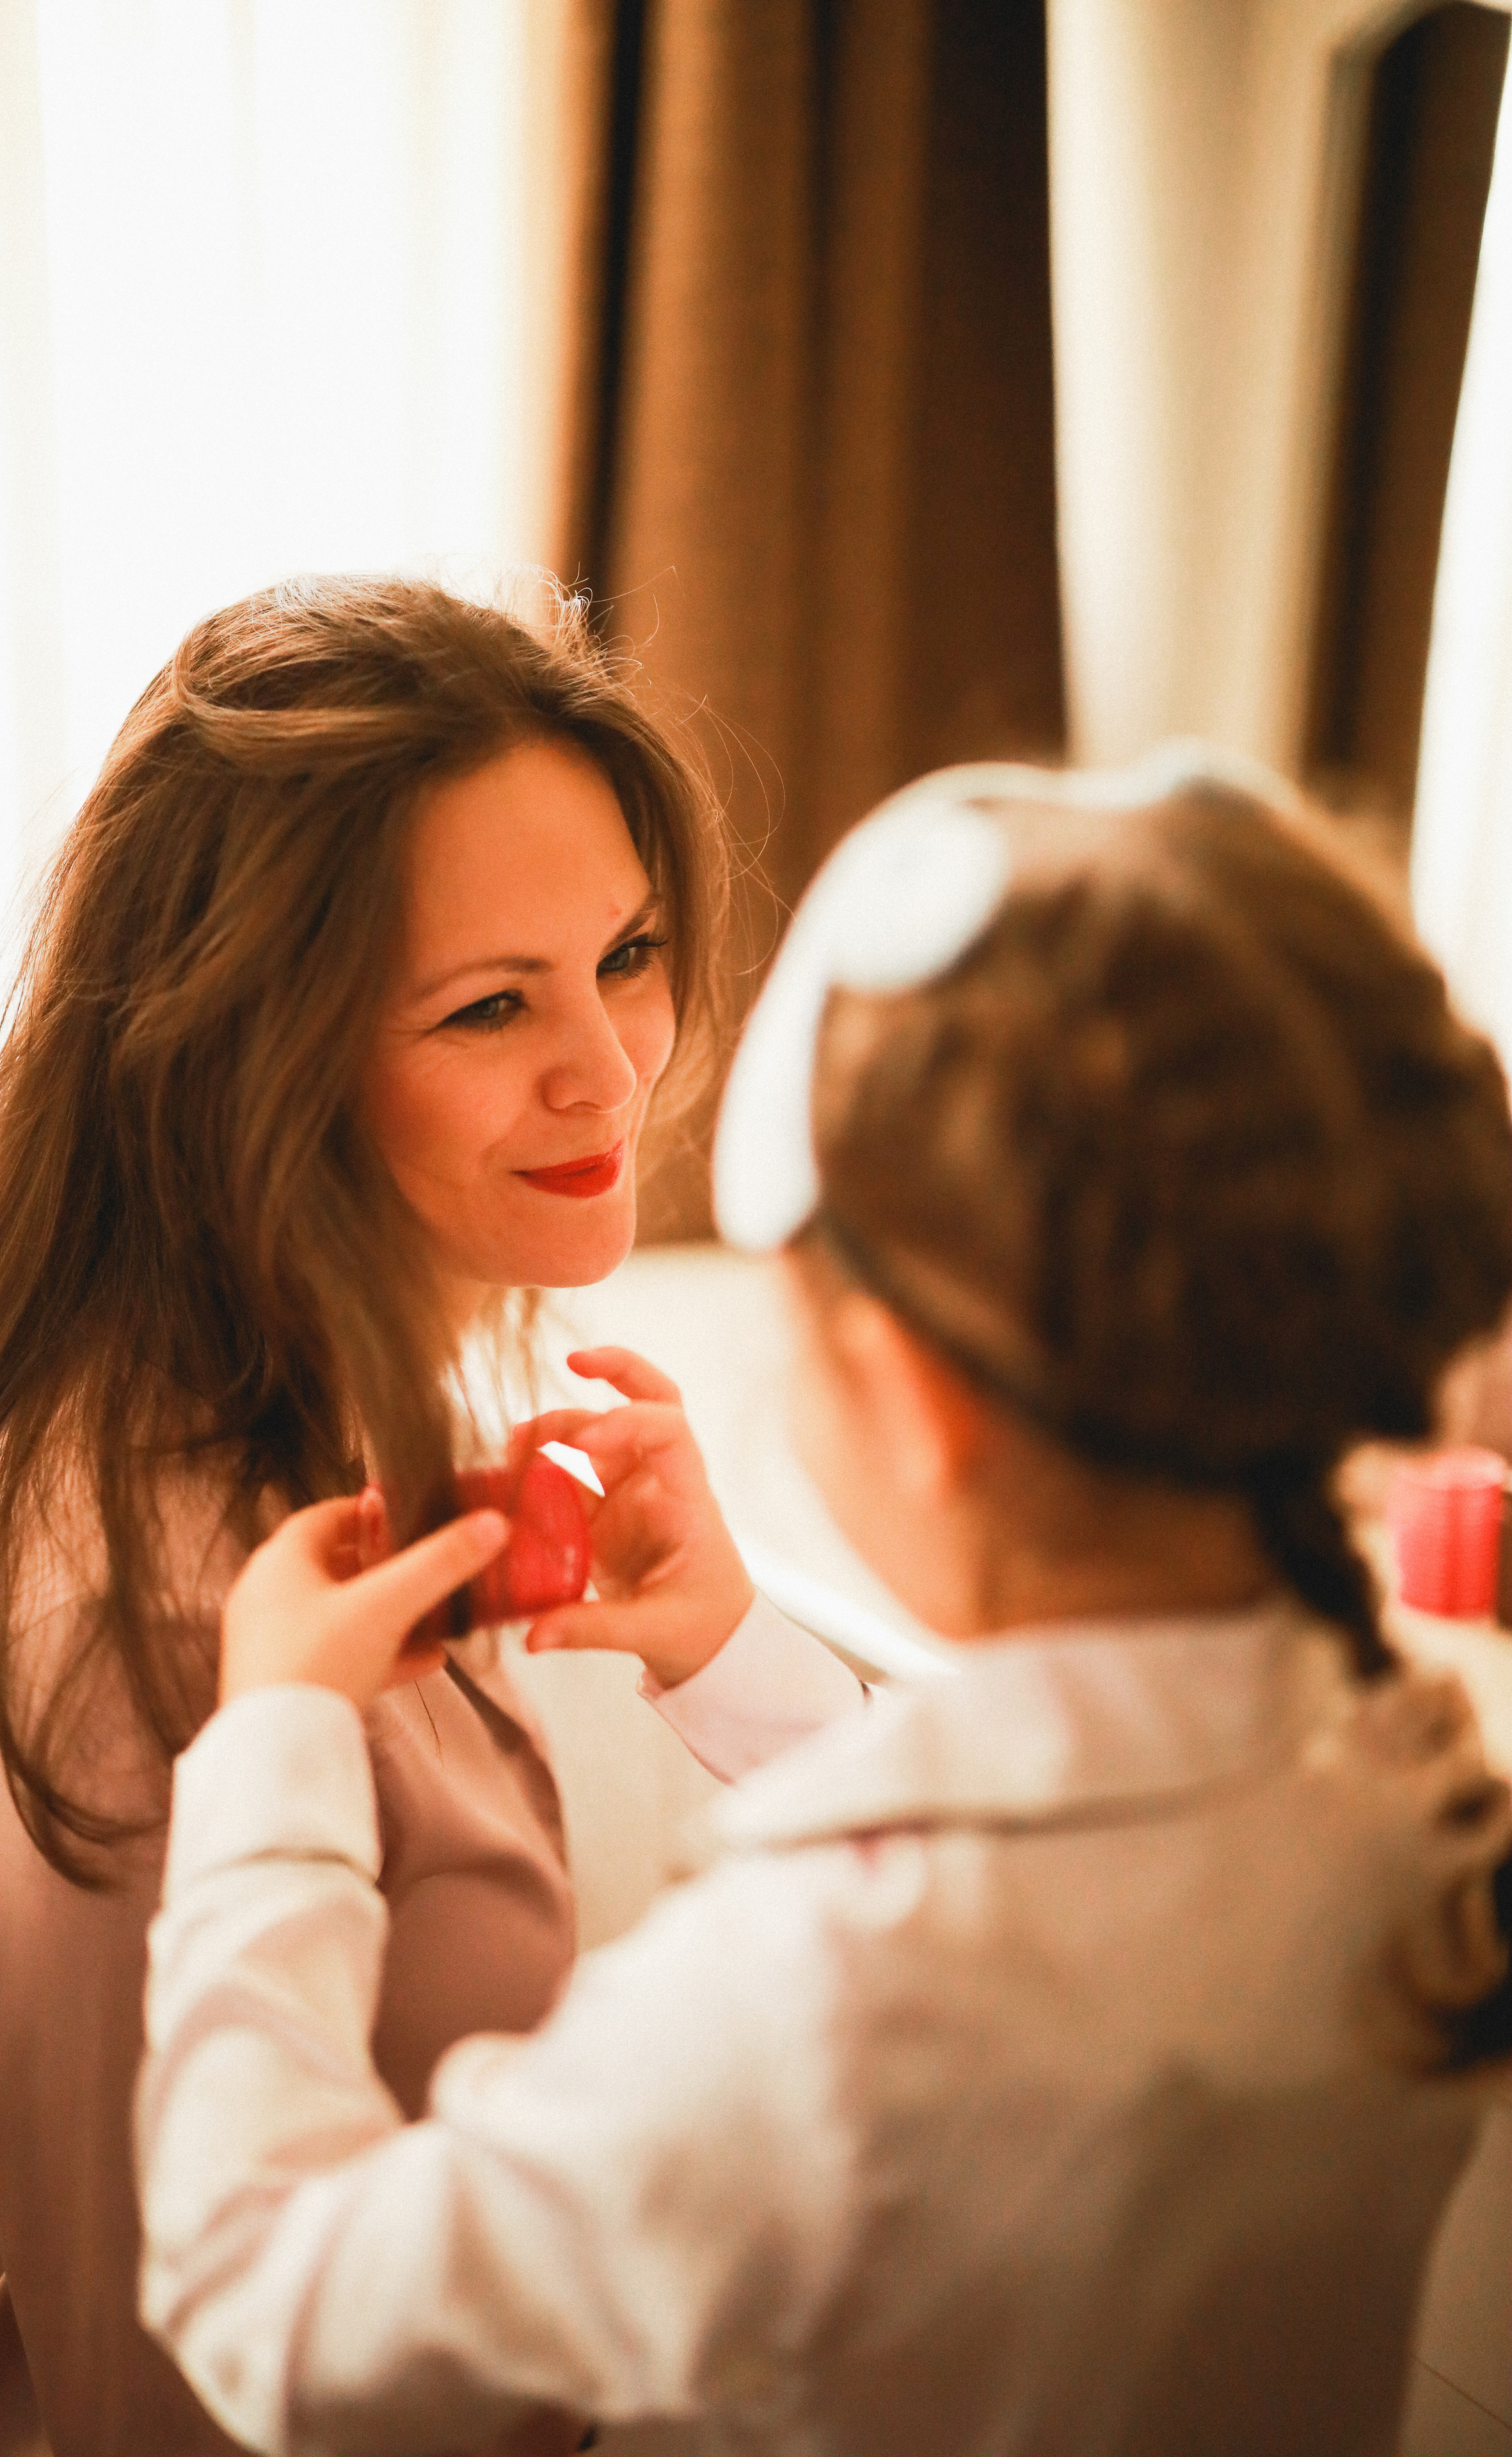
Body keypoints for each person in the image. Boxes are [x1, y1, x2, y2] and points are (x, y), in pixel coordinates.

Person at [136, 749, 1512, 2457]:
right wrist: (734, 1661)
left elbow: (283, 2317)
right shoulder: (1406, 1779)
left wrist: (273, 1766)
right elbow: (1075, 1875)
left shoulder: (818, 2003)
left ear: (913, 1403)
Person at [0, 577, 862, 2457]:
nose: (610, 1068)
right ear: (258, 1052)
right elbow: (181, 2417)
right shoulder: (139, 1644)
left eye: (629, 953)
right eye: (493, 1004)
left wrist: (739, 1664)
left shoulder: (333, 1433)